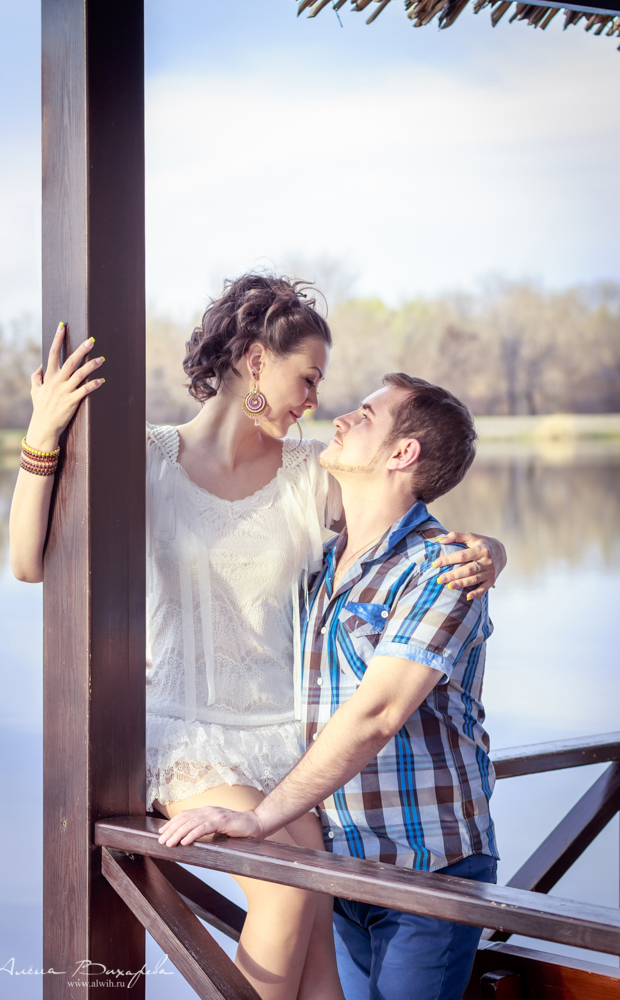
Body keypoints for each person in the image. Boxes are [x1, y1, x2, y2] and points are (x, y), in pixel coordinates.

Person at [10, 275, 504, 1000]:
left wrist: (491, 548)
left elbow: (406, 515)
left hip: (291, 746)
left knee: (313, 922)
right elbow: (28, 563)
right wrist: (43, 433)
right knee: (285, 889)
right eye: (306, 377)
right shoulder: (146, 458)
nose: (314, 401)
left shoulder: (312, 477)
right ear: (251, 359)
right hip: (189, 737)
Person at [157, 372, 500, 1000]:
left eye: (365, 414)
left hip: (424, 870)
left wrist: (261, 820)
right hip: (338, 864)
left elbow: (379, 714)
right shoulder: (322, 562)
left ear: (403, 453)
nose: (341, 417)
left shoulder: (442, 572)